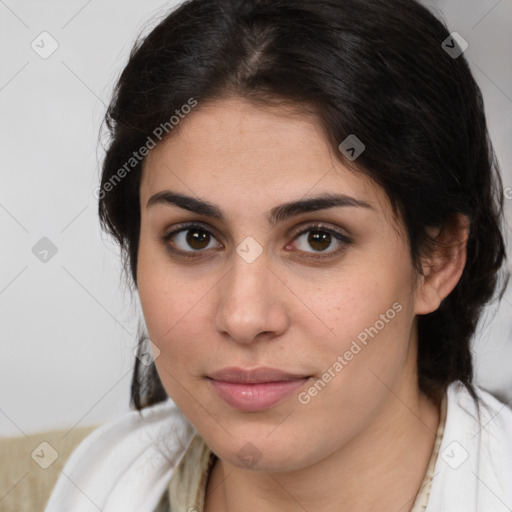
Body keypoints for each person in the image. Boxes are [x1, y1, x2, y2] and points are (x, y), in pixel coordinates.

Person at [44, 0, 512, 511]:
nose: (243, 317)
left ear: (437, 260)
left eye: (318, 239)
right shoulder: (40, 490)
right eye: (194, 237)